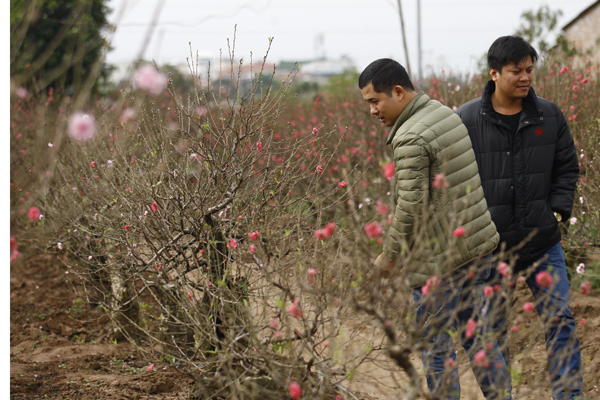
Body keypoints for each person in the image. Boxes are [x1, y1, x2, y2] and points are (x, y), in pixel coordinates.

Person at [359, 58, 512, 400]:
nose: (372, 111)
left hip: (439, 263)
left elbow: (409, 208)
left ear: (398, 92)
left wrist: (389, 256)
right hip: (474, 247)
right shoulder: (442, 113)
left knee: (436, 348)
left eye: (374, 101)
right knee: (478, 336)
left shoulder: (411, 136)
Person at [456, 35, 584, 400]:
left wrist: (556, 212)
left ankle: (570, 395)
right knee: (494, 331)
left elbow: (566, 168)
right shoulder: (466, 119)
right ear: (494, 73)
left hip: (543, 243)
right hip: (491, 250)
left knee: (560, 322)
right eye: (517, 71)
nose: (525, 77)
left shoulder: (549, 113)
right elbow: (454, 180)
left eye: (529, 69)